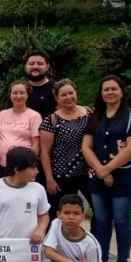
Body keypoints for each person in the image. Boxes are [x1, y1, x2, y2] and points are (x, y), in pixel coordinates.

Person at [81, 74, 131, 262]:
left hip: (124, 178)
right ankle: (101, 259)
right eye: (106, 89)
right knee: (101, 219)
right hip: (97, 177)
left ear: (121, 91)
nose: (110, 92)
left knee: (121, 219)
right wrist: (100, 169)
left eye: (114, 89)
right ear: (101, 93)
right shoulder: (95, 117)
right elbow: (86, 147)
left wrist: (108, 169)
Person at [39, 79, 92, 213]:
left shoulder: (91, 113)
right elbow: (45, 153)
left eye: (71, 93)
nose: (68, 97)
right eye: (63, 95)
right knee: (64, 212)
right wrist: (49, 179)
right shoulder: (51, 120)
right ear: (57, 98)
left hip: (90, 172)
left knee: (100, 211)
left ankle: (93, 234)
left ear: (76, 93)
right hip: (63, 175)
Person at [0, 147, 49, 243]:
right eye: (32, 167)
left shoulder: (38, 188)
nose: (37, 171)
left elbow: (43, 214)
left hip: (29, 246)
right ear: (17, 169)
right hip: (1, 245)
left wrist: (41, 229)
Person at [0, 80, 42, 177]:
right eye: (15, 93)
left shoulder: (34, 116)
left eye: (22, 93)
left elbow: (36, 144)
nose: (18, 96)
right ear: (10, 95)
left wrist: (29, 165)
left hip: (23, 167)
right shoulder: (2, 114)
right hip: (2, 164)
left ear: (27, 95)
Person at [7, 51, 57, 118]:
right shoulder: (18, 90)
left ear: (47, 66)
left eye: (40, 64)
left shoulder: (57, 89)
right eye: (31, 64)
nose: (35, 66)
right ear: (25, 66)